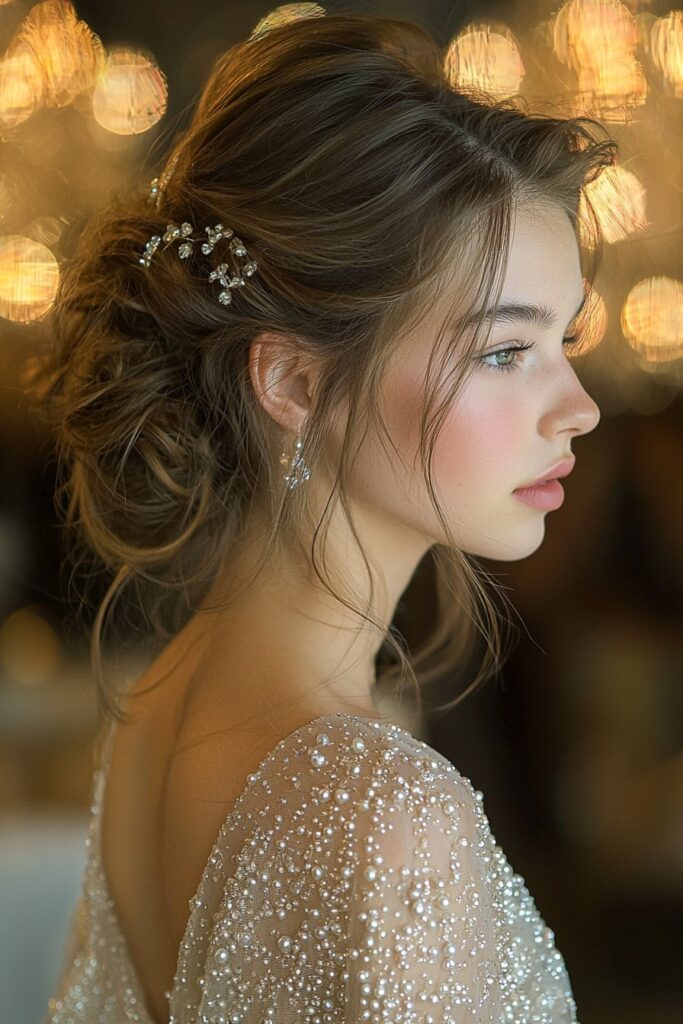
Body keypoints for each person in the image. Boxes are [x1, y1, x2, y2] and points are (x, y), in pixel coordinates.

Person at [26, 13, 618, 1024]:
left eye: (561, 342)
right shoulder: (385, 812)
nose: (580, 408)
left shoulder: (160, 704)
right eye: (504, 352)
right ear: (293, 378)